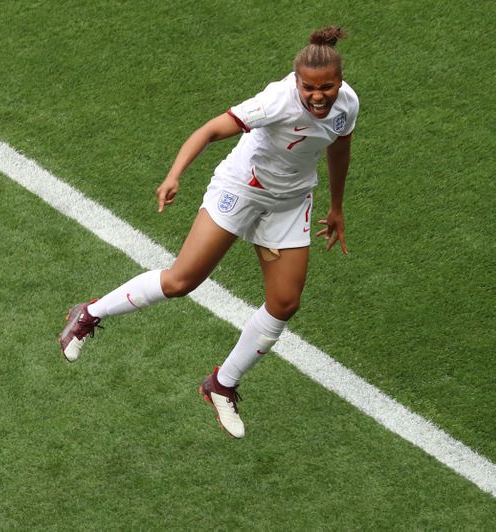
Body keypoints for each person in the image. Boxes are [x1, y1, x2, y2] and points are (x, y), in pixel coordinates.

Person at [59, 26, 358, 438]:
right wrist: (174, 175)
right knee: (182, 280)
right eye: (309, 87)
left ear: (340, 82)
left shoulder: (347, 105)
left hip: (288, 204)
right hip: (240, 190)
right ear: (296, 81)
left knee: (285, 303)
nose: (317, 95)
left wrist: (336, 205)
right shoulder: (276, 101)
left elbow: (340, 147)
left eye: (326, 86)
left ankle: (222, 384)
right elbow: (210, 130)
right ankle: (88, 314)